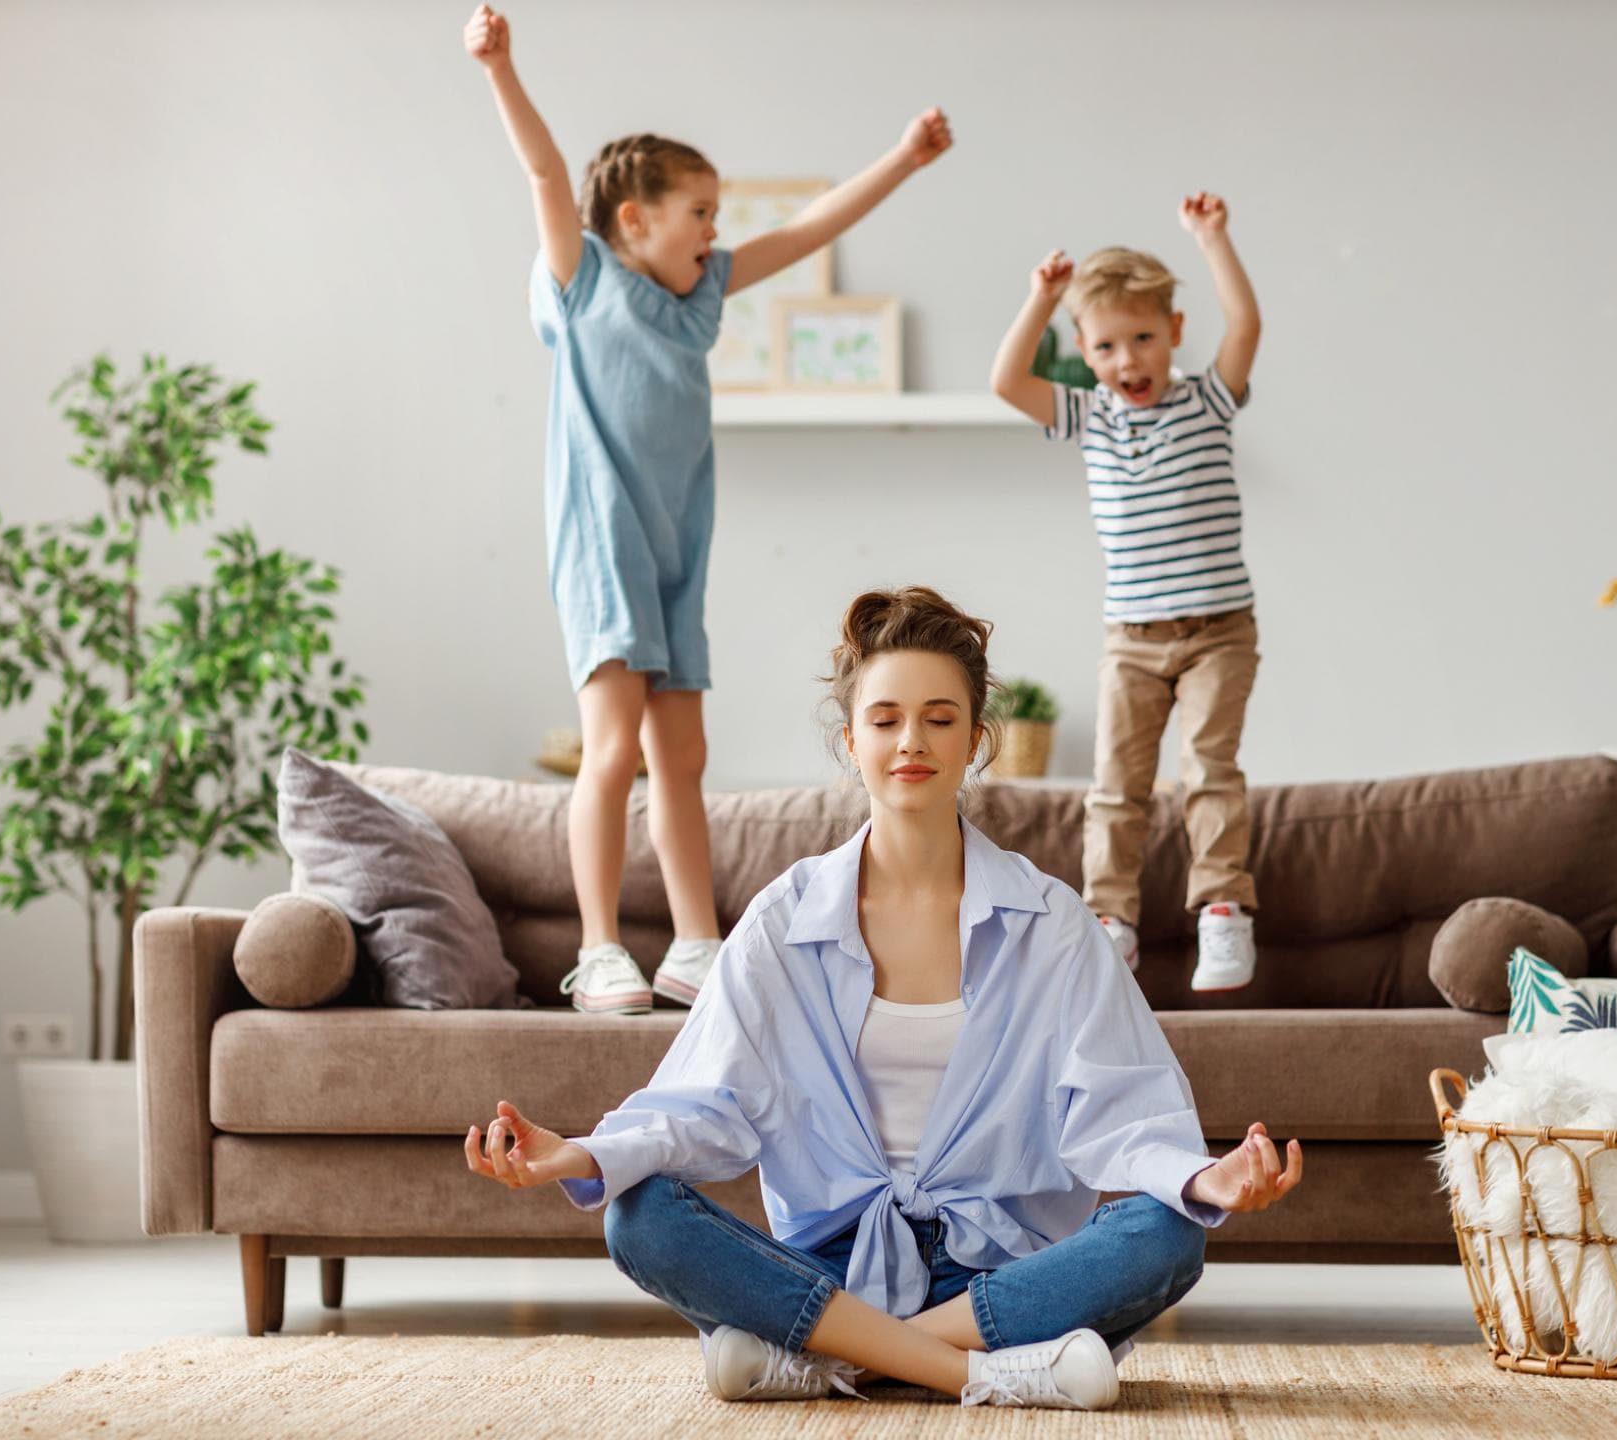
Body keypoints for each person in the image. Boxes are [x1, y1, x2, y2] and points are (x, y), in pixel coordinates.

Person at [464, 586, 1301, 1409]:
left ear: (976, 740)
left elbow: (1120, 1107)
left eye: (940, 719)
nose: (912, 742)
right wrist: (583, 1156)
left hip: (998, 1272)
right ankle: (984, 1373)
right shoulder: (784, 919)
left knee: (1168, 1232)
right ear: (851, 740)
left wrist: (1205, 1177)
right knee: (637, 1215)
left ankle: (831, 1358)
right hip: (828, 1270)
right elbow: (705, 1102)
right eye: (886, 719)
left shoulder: (1052, 923)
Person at [463, 6, 952, 1016]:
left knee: (682, 755)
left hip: (677, 549)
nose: (714, 230)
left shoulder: (701, 297)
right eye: (699, 211)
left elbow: (807, 231)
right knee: (612, 749)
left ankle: (695, 944)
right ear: (634, 219)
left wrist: (905, 160)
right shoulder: (585, 280)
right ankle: (599, 948)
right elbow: (547, 176)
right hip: (603, 544)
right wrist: (501, 68)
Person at [989, 194, 1265, 991]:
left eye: (1143, 338)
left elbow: (1246, 325)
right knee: (1116, 786)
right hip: (1132, 640)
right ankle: (1110, 920)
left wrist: (1212, 240)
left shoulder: (1208, 400)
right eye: (1106, 346)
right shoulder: (1089, 417)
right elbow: (1007, 381)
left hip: (1218, 632)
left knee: (1209, 769)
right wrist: (1042, 297)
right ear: (1083, 349)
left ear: (1174, 332)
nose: (1127, 360)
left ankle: (1222, 910)